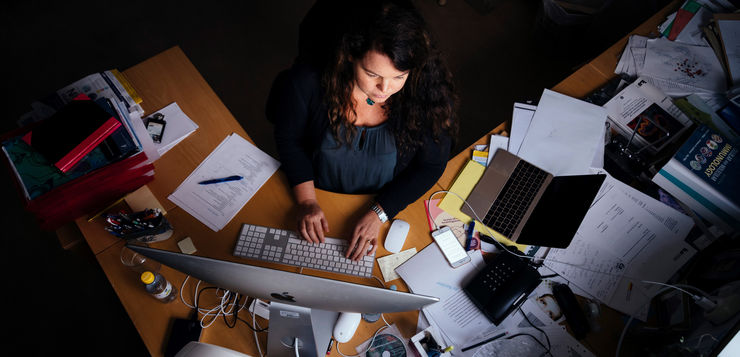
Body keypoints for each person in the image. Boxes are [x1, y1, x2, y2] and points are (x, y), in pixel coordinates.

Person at [266, 0, 458, 261]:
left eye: (399, 77)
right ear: (349, 56)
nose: (384, 89)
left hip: (383, 200)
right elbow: (290, 140)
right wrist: (307, 201)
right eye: (372, 74)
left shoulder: (426, 95)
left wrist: (379, 213)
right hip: (318, 191)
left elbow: (431, 166)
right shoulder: (307, 82)